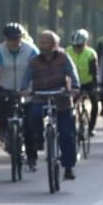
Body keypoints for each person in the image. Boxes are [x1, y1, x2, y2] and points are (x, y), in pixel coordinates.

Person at [22, 30, 80, 181]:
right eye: (41, 42)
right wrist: (23, 90)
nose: (42, 45)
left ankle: (68, 167)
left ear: (55, 44)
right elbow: (26, 79)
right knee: (33, 116)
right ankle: (39, 139)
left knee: (66, 133)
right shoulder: (34, 61)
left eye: (46, 42)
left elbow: (72, 75)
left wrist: (74, 87)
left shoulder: (63, 58)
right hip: (40, 97)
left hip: (61, 99)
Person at [0, 23, 38, 144]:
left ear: (21, 37)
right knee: (1, 106)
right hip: (7, 87)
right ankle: (3, 131)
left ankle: (31, 148)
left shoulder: (31, 50)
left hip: (27, 90)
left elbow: (37, 71)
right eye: (10, 39)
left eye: (17, 38)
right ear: (5, 38)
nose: (14, 41)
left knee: (29, 122)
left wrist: (34, 87)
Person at [68, 29, 100, 137]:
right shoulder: (67, 52)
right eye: (75, 46)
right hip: (73, 83)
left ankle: (91, 127)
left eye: (80, 46)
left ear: (85, 43)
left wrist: (95, 87)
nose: (77, 49)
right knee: (69, 105)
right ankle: (71, 126)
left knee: (94, 103)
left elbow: (94, 72)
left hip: (88, 82)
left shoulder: (91, 54)